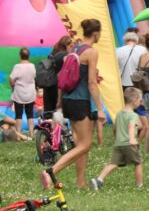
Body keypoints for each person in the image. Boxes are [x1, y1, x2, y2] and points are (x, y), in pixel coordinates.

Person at [40, 19, 106, 189]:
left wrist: (59, 103)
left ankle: (80, 183)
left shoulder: (74, 49)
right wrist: (100, 109)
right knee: (85, 144)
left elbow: (63, 77)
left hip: (68, 100)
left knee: (82, 144)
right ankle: (51, 172)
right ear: (96, 33)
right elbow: (92, 83)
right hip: (81, 101)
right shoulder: (91, 52)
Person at [91, 87, 144, 190]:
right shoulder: (133, 115)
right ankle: (139, 185)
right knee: (138, 163)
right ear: (135, 101)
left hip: (119, 144)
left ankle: (99, 180)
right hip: (129, 144)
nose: (141, 102)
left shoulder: (119, 113)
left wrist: (116, 138)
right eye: (140, 100)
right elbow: (132, 126)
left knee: (113, 163)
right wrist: (132, 138)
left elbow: (115, 127)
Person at [117, 31, 149, 142]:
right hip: (138, 85)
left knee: (126, 110)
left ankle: (124, 134)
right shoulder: (143, 50)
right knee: (140, 110)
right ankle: (138, 136)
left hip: (124, 84)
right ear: (136, 40)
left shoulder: (118, 51)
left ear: (125, 40)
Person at [10, 47, 36, 139]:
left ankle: (18, 135)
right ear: (28, 56)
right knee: (30, 114)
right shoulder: (32, 66)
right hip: (30, 93)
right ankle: (31, 134)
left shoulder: (17, 67)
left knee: (18, 114)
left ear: (20, 55)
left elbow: (11, 79)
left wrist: (13, 86)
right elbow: (34, 77)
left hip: (19, 93)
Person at [41, 36, 72, 113]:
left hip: (48, 85)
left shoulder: (52, 54)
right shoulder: (65, 54)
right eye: (71, 46)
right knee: (59, 112)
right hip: (57, 87)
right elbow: (66, 70)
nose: (71, 48)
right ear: (66, 45)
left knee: (48, 113)